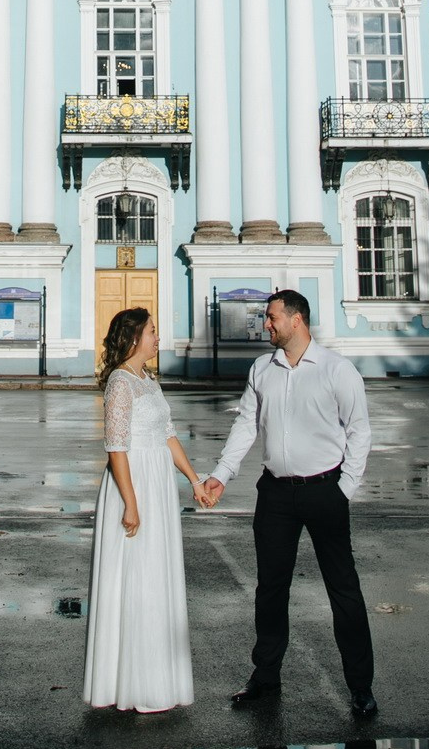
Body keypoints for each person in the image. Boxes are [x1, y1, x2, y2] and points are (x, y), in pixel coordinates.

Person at [201, 289, 377, 717]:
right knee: (271, 589)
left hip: (325, 491)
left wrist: (344, 489)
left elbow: (359, 431)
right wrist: (221, 474)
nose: (266, 324)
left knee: (343, 590)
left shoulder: (336, 370)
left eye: (272, 317)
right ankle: (265, 677)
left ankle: (360, 687)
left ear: (296, 320)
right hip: (275, 494)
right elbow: (246, 424)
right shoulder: (262, 369)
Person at [83, 306, 209, 713]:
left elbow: (168, 435)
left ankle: (157, 680)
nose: (158, 337)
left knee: (156, 576)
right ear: (135, 337)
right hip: (133, 483)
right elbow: (117, 447)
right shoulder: (120, 382)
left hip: (158, 483)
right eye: (153, 331)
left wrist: (194, 480)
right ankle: (131, 684)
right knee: (135, 579)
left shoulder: (149, 381)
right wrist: (131, 503)